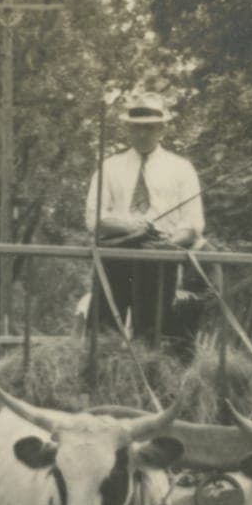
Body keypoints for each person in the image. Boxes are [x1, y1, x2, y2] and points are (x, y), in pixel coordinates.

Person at [85, 92, 205, 344]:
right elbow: (94, 217)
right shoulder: (110, 167)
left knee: (152, 332)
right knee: (104, 330)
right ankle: (100, 379)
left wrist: (170, 243)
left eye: (149, 128)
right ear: (128, 128)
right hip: (116, 255)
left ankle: (147, 380)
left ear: (162, 128)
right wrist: (131, 226)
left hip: (159, 258)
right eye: (136, 128)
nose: (142, 134)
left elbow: (194, 223)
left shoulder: (181, 168)